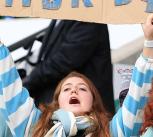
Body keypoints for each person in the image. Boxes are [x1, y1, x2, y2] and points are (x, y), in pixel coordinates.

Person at [1, 14, 153, 137]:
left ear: (94, 101)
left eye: (82, 88)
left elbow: (137, 98)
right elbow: (10, 87)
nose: (74, 91)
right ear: (57, 102)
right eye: (66, 89)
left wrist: (149, 41)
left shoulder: (111, 132)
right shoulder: (35, 128)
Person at [22, 20, 115, 113]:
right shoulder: (63, 16)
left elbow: (64, 61)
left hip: (88, 115)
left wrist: (26, 84)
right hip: (58, 112)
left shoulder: (87, 17)